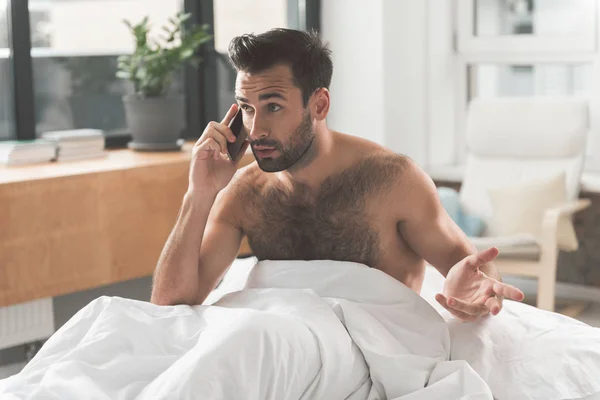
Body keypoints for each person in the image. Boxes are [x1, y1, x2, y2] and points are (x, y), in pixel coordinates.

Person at [150, 28, 524, 322]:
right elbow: (171, 304)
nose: (256, 128)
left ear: (320, 104)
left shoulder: (392, 180)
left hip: (376, 345)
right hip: (278, 338)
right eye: (246, 108)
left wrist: (474, 289)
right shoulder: (244, 193)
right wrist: (198, 195)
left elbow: (470, 266)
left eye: (273, 107)